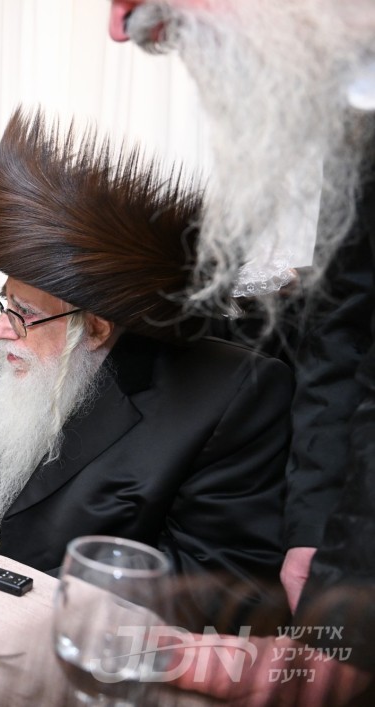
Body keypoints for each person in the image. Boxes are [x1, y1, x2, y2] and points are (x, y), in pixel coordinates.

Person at [106, 0, 375, 701]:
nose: (119, 26)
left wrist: (355, 595)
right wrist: (311, 532)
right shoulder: (357, 119)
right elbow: (345, 332)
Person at [0, 108, 292, 634]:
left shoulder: (233, 396)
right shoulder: (6, 362)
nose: (0, 330)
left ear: (97, 328)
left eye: (25, 312)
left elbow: (220, 584)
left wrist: (28, 605)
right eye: (5, 302)